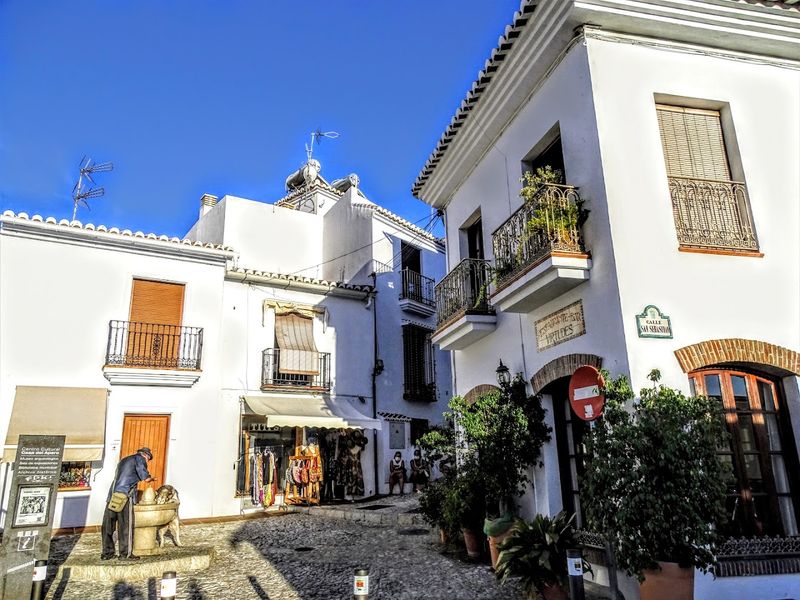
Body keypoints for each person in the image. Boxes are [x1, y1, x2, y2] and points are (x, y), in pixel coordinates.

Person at [101, 447, 157, 560]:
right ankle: (125, 554)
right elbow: (145, 477)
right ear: (146, 456)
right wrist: (151, 478)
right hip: (125, 496)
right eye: (148, 460)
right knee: (126, 526)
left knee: (108, 526)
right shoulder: (140, 459)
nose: (147, 462)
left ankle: (107, 553)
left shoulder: (123, 460)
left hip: (112, 496)